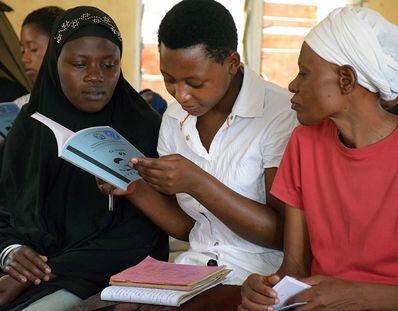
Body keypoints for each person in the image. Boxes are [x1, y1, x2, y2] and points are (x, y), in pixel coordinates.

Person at [99, 0, 297, 285]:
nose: (181, 95)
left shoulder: (279, 114)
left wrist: (198, 182)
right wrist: (134, 188)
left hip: (259, 280)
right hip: (193, 273)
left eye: (195, 83)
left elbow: (283, 235)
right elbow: (190, 228)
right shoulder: (174, 119)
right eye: (169, 80)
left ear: (231, 63)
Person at [0, 6, 167, 311]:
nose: (96, 76)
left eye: (110, 65)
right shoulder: (31, 122)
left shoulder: (142, 125)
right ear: (55, 64)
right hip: (21, 270)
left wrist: (38, 273)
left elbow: (139, 236)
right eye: (79, 64)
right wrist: (10, 253)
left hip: (98, 275)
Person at [239, 7, 398, 311]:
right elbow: (295, 268)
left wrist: (354, 295)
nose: (292, 85)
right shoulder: (304, 143)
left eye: (304, 72)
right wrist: (263, 291)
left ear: (346, 80)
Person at [14, 6, 65, 108]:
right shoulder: (19, 107)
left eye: (33, 49)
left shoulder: (92, 102)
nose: (24, 59)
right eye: (22, 51)